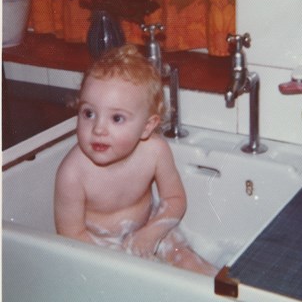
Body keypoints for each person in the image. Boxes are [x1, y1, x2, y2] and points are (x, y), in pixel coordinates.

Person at [54, 44, 217, 276]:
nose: (98, 129)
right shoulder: (73, 173)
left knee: (187, 259)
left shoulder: (155, 151)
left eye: (117, 118)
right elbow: (71, 238)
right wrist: (120, 265)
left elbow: (175, 198)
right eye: (89, 113)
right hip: (97, 247)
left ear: (147, 126)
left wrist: (152, 232)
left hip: (148, 227)